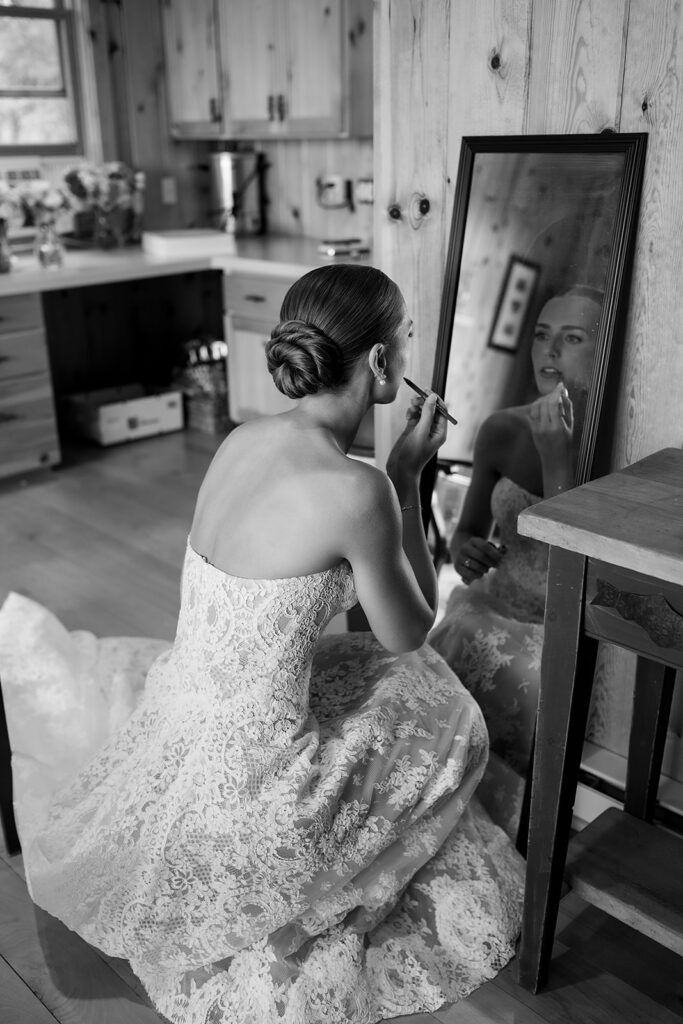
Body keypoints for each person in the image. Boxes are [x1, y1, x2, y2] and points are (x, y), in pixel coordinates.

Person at [0, 264, 524, 1024]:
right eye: (404, 339)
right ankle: (342, 878)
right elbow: (412, 633)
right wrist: (405, 476)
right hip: (264, 778)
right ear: (380, 364)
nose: (407, 355)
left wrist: (394, 475)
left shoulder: (244, 436)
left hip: (185, 721)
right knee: (451, 713)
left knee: (356, 664)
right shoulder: (356, 489)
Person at [430, 285, 603, 839]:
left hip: (565, 622)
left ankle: (517, 829)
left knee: (529, 682)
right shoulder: (503, 429)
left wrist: (558, 462)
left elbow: (581, 570)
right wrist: (468, 554)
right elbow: (463, 541)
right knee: (436, 672)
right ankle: (443, 814)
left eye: (572, 339)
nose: (549, 351)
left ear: (603, 354)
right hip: (491, 606)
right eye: (541, 335)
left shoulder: (615, 445)